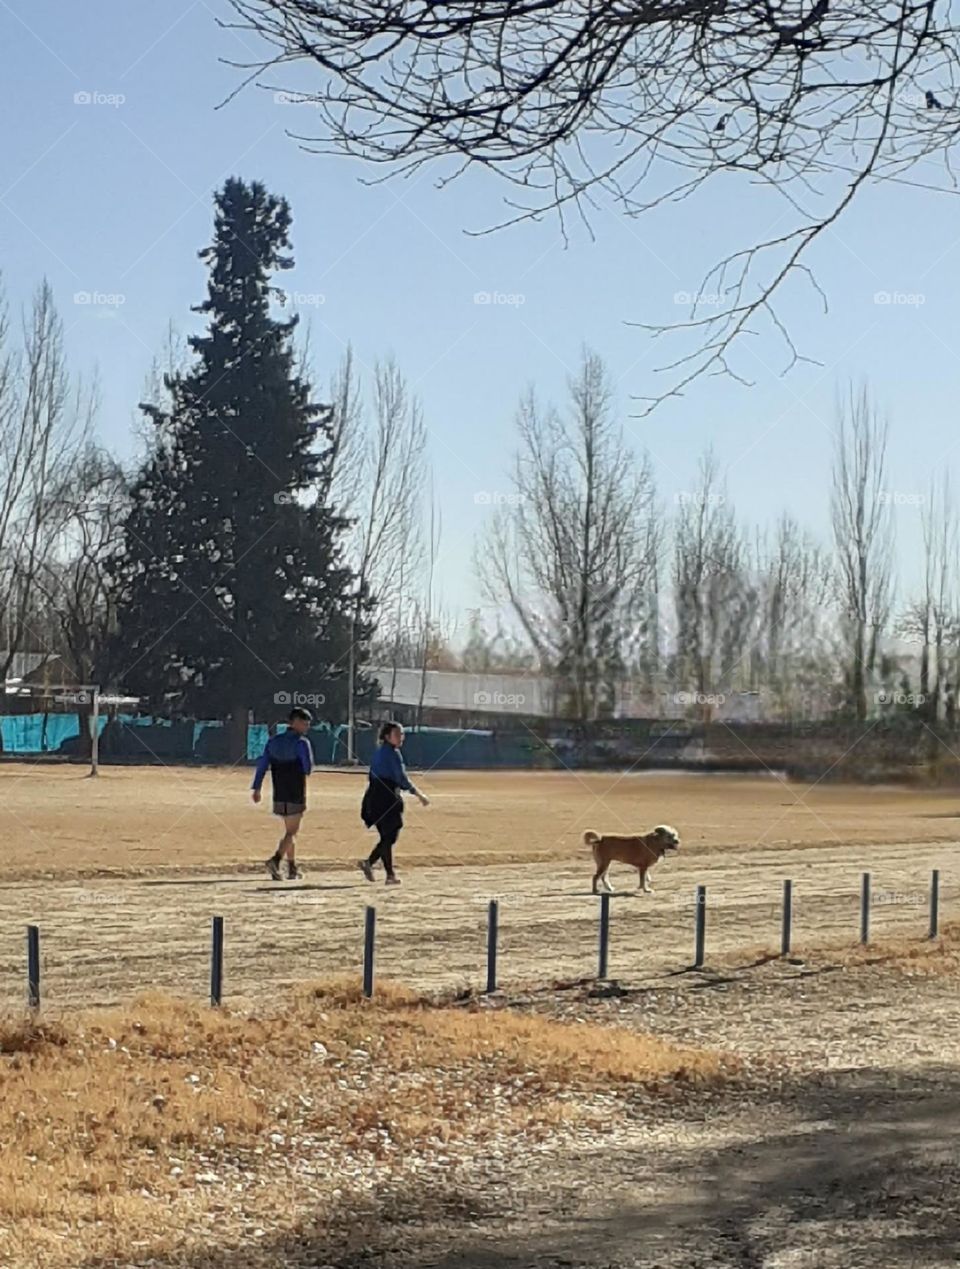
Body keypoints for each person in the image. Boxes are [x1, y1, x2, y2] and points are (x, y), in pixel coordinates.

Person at [358, 721, 429, 886]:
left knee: (386, 836)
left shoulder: (379, 752)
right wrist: (418, 794)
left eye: (401, 734)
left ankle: (380, 869)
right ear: (387, 736)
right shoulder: (393, 753)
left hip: (373, 796)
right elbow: (400, 778)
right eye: (397, 734)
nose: (401, 737)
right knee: (391, 835)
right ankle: (376, 866)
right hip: (386, 797)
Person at [251, 706, 314, 880]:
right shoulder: (302, 743)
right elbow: (308, 768)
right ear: (294, 722)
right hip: (295, 791)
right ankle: (276, 859)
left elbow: (262, 765)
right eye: (304, 723)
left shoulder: (273, 741)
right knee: (292, 832)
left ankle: (292, 868)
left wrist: (256, 788)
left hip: (279, 792)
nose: (307, 727)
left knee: (289, 831)